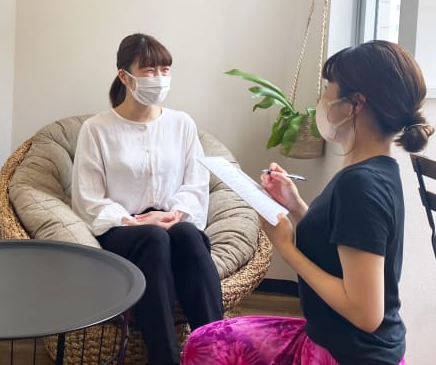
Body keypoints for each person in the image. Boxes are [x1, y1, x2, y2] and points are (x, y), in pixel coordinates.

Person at [180, 40, 434, 365]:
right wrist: (297, 206)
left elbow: (366, 314)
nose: (322, 100)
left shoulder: (361, 184)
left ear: (356, 104)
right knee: (208, 339)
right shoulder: (374, 169)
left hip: (349, 355)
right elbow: (343, 243)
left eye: (328, 88)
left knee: (207, 346)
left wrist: (286, 248)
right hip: (331, 339)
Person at [72, 33, 223, 365]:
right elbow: (88, 198)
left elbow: (196, 182)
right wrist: (134, 220)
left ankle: (217, 352)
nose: (159, 78)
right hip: (121, 229)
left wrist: (175, 214)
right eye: (150, 70)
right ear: (125, 76)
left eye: (165, 70)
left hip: (174, 221)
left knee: (186, 235)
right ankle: (164, 358)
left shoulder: (182, 124)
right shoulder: (96, 129)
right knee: (154, 238)